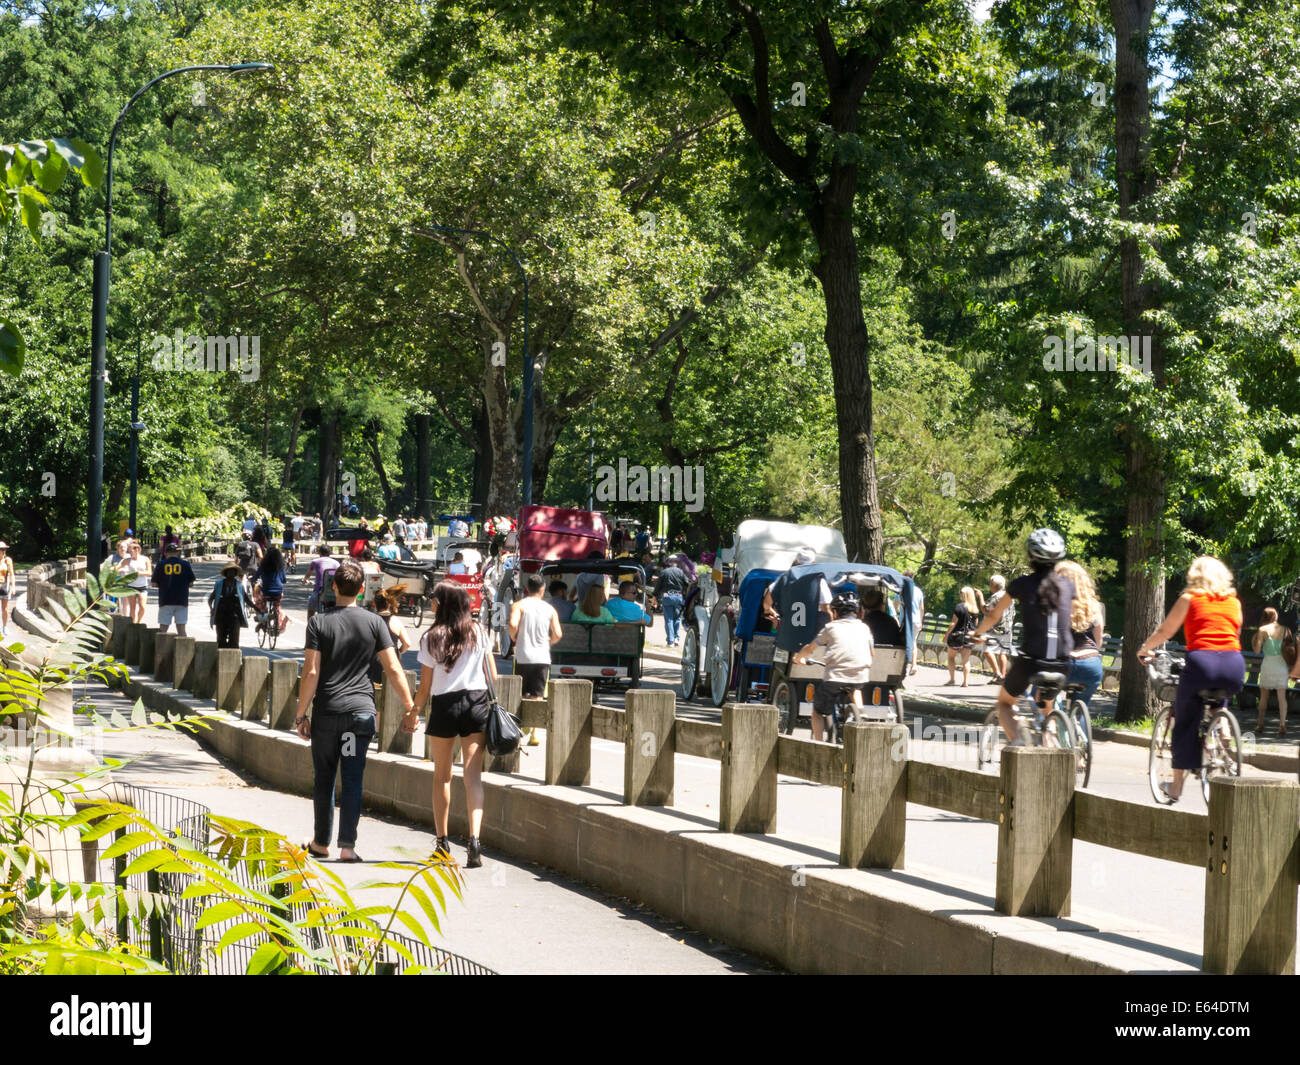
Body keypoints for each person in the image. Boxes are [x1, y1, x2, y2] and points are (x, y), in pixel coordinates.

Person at [297, 560, 415, 862]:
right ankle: (347, 846)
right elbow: (392, 667)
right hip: (360, 715)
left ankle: (320, 843)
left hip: (327, 714)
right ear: (362, 589)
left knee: (324, 777)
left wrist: (301, 714)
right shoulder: (375, 622)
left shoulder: (319, 622)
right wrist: (410, 707)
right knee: (352, 777)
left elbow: (311, 672)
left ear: (334, 586)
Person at [1137, 556, 1246, 802]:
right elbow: (1233, 634)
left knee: (1186, 721)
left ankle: (1175, 787)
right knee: (1221, 691)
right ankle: (1224, 727)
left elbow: (1166, 630)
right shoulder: (1234, 602)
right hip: (1234, 664)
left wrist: (1145, 648)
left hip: (1201, 663)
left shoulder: (1189, 599)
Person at [411, 581, 495, 868]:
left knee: (442, 776)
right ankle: (474, 841)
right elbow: (491, 674)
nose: (431, 602)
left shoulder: (431, 637)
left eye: (434, 598)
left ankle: (443, 843)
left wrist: (413, 713)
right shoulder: (480, 632)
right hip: (476, 702)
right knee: (472, 776)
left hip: (445, 705)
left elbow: (424, 687)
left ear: (443, 603)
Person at [969, 528, 1075, 744]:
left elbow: (994, 616)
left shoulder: (1021, 585)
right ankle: (1050, 743)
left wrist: (977, 633)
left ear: (1031, 556)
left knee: (1005, 703)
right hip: (1063, 661)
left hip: (1031, 661)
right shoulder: (1068, 586)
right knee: (1047, 708)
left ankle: (1020, 745)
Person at [794, 590, 873, 742]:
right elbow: (872, 653)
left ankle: (817, 743)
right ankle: (860, 713)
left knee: (817, 712)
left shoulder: (831, 628)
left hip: (834, 678)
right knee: (855, 688)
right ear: (857, 612)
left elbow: (810, 648)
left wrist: (799, 658)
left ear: (835, 612)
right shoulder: (865, 628)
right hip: (860, 675)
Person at [1055, 560, 1104, 710]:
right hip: (1091, 665)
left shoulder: (1053, 603)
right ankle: (1078, 727)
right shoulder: (1094, 606)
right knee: (1080, 709)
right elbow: (1098, 641)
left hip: (1062, 663)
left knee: (1042, 695)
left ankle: (1053, 724)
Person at [509, 575, 562, 698]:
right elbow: (558, 634)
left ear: (527, 588)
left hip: (522, 657)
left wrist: (514, 638)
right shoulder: (550, 609)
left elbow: (512, 624)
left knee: (518, 696)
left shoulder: (519, 605)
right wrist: (549, 641)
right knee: (537, 697)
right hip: (542, 658)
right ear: (543, 589)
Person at [762, 547, 833, 631]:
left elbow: (766, 605)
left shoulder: (782, 580)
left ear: (796, 561)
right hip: (810, 633)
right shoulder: (819, 583)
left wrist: (777, 617)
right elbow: (827, 611)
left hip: (788, 632)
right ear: (813, 564)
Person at [1251, 607, 1291, 738]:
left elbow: (1257, 651)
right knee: (1282, 698)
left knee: (1264, 696)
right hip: (1282, 666)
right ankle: (1282, 725)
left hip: (1268, 665)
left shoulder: (1262, 630)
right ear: (1276, 616)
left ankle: (1260, 724)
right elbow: (1291, 651)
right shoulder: (1286, 630)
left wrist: (1256, 638)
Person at [151, 543, 196, 636]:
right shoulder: (185, 564)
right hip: (181, 599)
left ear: (166, 553)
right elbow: (191, 583)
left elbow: (154, 584)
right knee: (181, 629)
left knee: (163, 629)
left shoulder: (160, 565)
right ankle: (183, 648)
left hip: (165, 599)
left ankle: (160, 649)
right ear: (177, 552)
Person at [942, 586, 980, 687]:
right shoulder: (975, 609)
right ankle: (965, 682)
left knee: (951, 657)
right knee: (966, 660)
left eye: (961, 593)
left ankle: (952, 680)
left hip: (957, 636)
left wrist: (946, 635)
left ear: (964, 595)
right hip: (969, 637)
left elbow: (953, 623)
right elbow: (975, 624)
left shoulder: (959, 607)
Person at [208, 562, 251, 648]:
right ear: (226, 573)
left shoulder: (239, 585)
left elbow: (246, 599)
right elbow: (210, 599)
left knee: (234, 643)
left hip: (235, 615)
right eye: (229, 571)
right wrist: (211, 608)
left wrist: (257, 609)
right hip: (221, 614)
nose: (231, 573)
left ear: (235, 573)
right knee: (220, 641)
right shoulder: (219, 584)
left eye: (233, 572)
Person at [981, 575, 1015, 682]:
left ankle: (997, 673)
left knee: (987, 650)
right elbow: (1013, 614)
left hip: (994, 629)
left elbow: (986, 610)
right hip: (1007, 629)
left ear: (993, 585)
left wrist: (980, 596)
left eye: (990, 583)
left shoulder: (995, 597)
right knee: (1002, 652)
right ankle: (1001, 677)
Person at [652, 554, 691, 646]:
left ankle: (670, 641)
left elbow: (658, 587)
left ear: (668, 562)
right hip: (678, 596)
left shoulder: (664, 572)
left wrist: (654, 596)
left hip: (667, 596)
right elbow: (687, 583)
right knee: (677, 618)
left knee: (669, 619)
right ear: (677, 563)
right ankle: (676, 638)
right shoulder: (681, 572)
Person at [304, 544, 341, 619]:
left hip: (319, 590)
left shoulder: (315, 562)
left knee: (311, 609)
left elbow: (307, 576)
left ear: (319, 553)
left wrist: (305, 580)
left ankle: (310, 626)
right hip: (333, 592)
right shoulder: (336, 563)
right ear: (330, 553)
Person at [902, 570, 925, 678]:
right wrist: (921, 621)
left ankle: (904, 665)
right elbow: (922, 608)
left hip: (905, 619)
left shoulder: (902, 590)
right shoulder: (919, 591)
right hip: (916, 620)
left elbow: (896, 605)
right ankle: (914, 664)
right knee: (913, 642)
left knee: (903, 642)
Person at [122, 540, 151, 624]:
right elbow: (118, 566)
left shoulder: (145, 559)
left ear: (137, 550)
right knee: (132, 608)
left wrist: (138, 573)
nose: (130, 553)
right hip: (131, 586)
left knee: (142, 607)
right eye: (129, 551)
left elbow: (149, 573)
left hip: (142, 586)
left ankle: (138, 622)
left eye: (131, 551)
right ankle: (133, 624)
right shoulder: (128, 560)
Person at [0, 541, 15, 638]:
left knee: (4, 609)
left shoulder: (7, 560)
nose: (3, 551)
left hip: (4, 587)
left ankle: (4, 627)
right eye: (1, 549)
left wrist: (13, 586)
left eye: (4, 549)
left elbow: (11, 574)